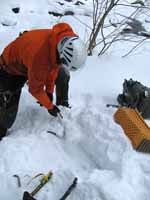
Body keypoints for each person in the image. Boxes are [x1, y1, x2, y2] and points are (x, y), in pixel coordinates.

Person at [0, 22, 87, 140]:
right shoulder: (40, 59)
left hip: (31, 58)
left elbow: (54, 67)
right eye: (65, 62)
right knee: (9, 103)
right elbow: (35, 89)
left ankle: (63, 105)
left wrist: (49, 92)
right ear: (62, 54)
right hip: (11, 66)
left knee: (62, 73)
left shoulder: (63, 40)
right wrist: (49, 106)